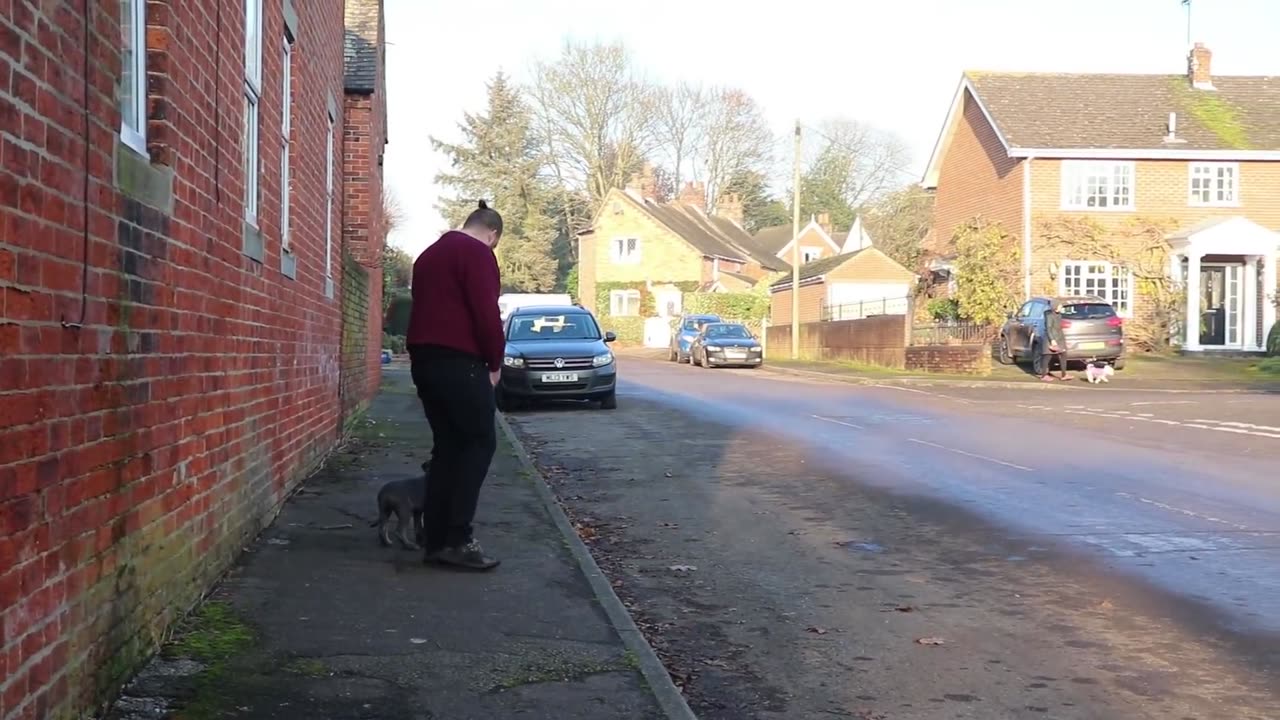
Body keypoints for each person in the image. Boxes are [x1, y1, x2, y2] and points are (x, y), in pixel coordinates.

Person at [406, 200, 505, 570]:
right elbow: (485, 312)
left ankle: (435, 540)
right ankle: (458, 539)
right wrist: (494, 361)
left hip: (425, 362)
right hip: (461, 363)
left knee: (448, 448)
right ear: (492, 234)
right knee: (479, 444)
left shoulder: (428, 256)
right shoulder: (477, 253)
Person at [1036, 306, 1069, 381]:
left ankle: (1064, 375)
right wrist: (1052, 340)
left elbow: (1059, 327)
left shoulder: (1059, 315)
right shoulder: (1049, 315)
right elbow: (1049, 328)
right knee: (1047, 356)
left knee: (1063, 354)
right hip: (1050, 339)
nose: (1061, 308)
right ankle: (1044, 375)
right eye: (1060, 306)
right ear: (1056, 307)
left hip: (1059, 338)